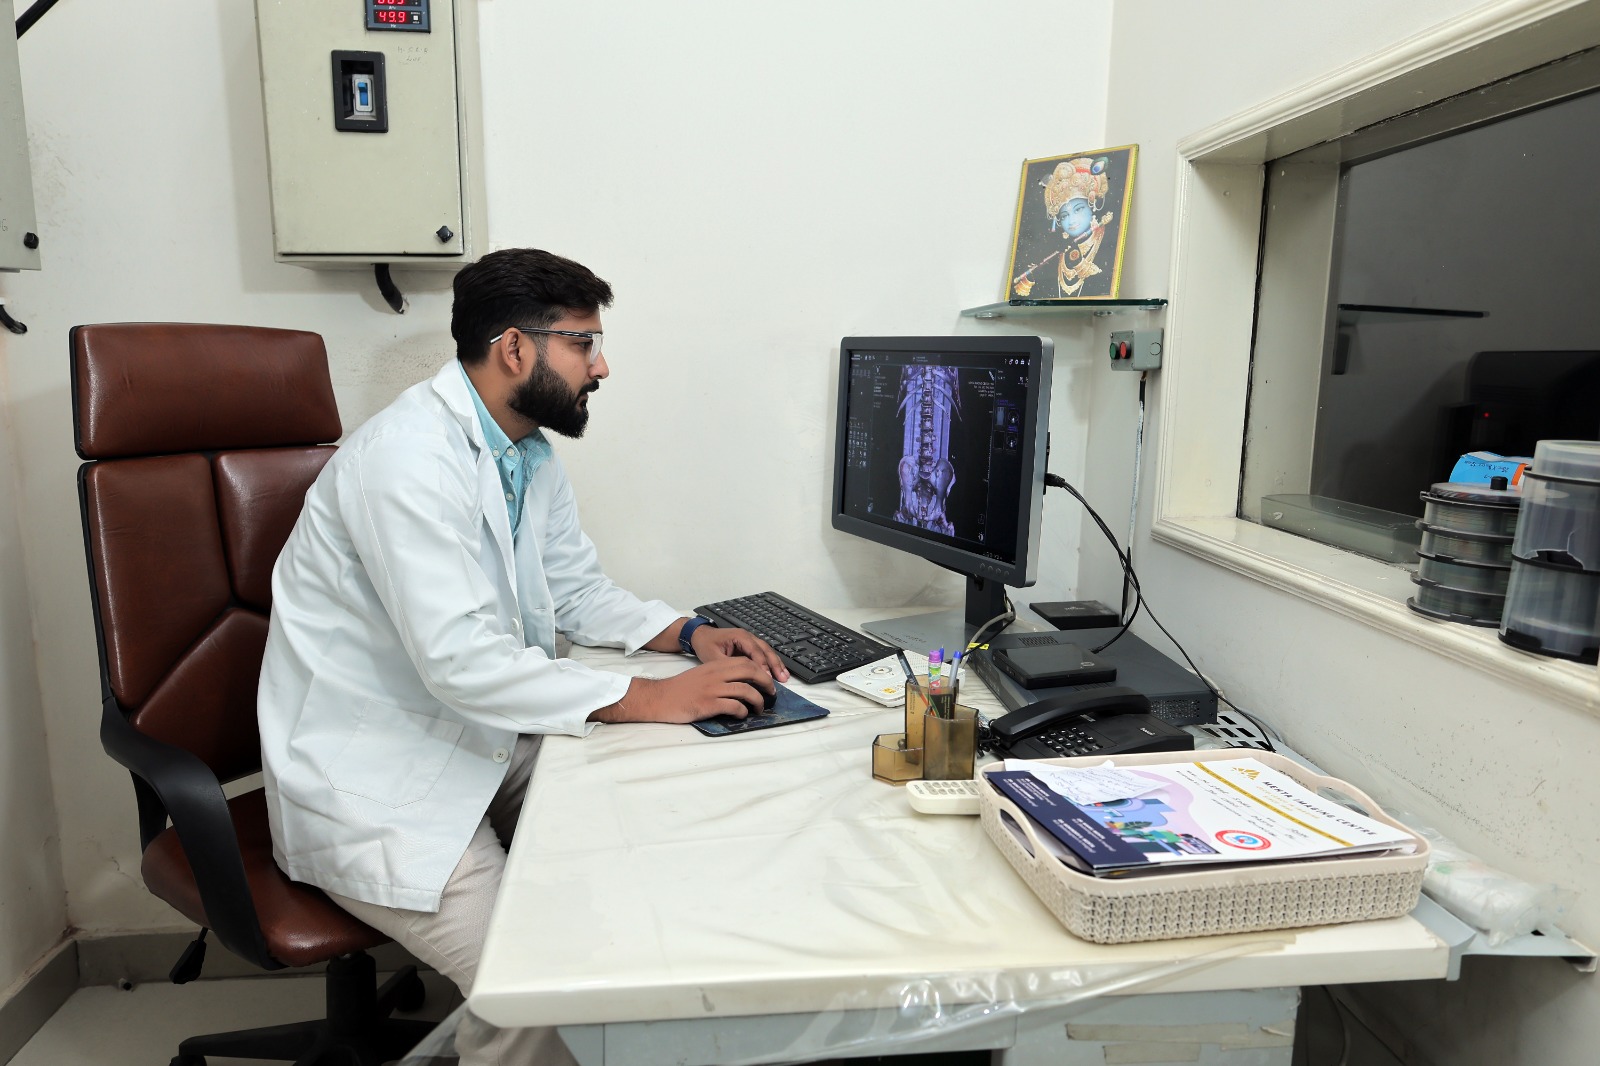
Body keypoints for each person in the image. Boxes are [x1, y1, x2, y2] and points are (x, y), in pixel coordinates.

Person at [258, 248, 789, 1064]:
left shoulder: (524, 453)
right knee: (535, 993)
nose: (601, 365)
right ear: (515, 349)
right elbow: (461, 663)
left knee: (654, 817)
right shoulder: (404, 462)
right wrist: (652, 697)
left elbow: (575, 590)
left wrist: (686, 635)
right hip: (377, 780)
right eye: (584, 344)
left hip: (472, 737)